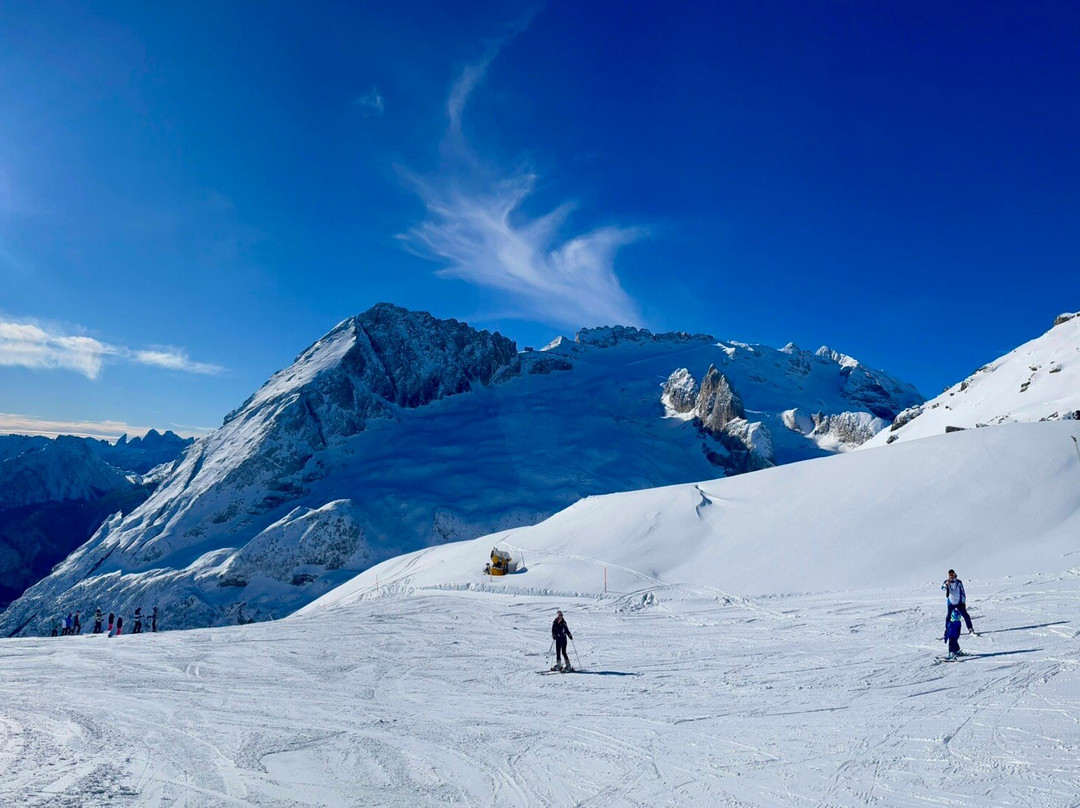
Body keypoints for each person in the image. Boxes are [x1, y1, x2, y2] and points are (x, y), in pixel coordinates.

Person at [942, 570, 975, 634]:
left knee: (965, 615)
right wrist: (946, 584)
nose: (951, 576)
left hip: (959, 602)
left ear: (954, 574)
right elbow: (943, 588)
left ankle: (970, 628)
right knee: (949, 617)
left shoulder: (959, 582)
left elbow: (962, 592)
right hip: (951, 603)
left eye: (952, 574)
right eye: (949, 575)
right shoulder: (946, 582)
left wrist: (963, 601)